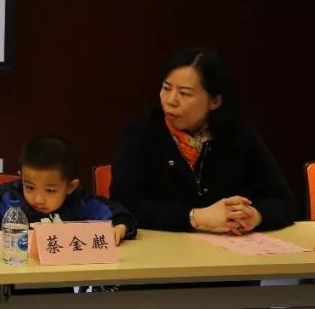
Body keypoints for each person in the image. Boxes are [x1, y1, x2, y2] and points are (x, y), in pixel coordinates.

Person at [111, 47, 295, 234]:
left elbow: (285, 202)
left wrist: (255, 215)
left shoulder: (239, 135)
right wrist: (196, 217)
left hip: (227, 248)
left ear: (214, 101)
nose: (170, 100)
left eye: (185, 93)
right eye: (166, 88)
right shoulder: (140, 133)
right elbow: (124, 205)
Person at [0, 135, 136, 244]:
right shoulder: (10, 202)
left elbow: (115, 213)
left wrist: (121, 226)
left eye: (50, 191)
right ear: (21, 178)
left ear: (70, 187)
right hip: (11, 283)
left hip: (58, 285)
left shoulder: (80, 203)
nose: (38, 199)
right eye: (29, 187)